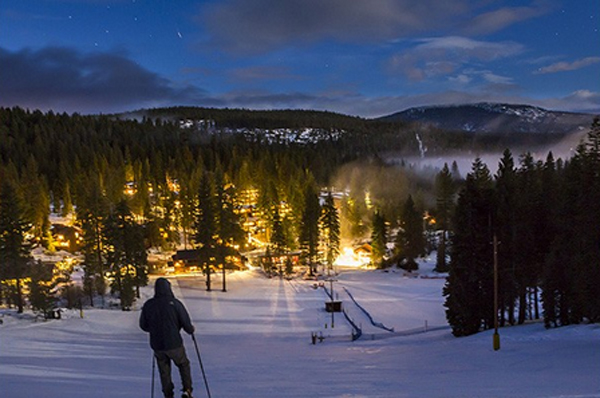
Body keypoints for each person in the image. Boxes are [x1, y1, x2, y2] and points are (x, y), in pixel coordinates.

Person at [140, 277, 195, 398]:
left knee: (164, 370)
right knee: (183, 364)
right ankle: (187, 390)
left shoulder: (149, 305)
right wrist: (190, 330)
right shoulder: (175, 303)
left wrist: (154, 329)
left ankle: (168, 394)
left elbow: (143, 325)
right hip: (174, 342)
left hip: (157, 344)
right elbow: (185, 322)